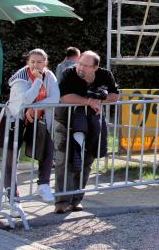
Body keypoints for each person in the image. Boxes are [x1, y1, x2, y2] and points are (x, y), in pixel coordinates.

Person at [53, 50, 119, 214]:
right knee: (65, 160)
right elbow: (64, 97)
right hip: (65, 122)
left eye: (85, 65)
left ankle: (76, 200)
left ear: (95, 67)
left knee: (87, 159)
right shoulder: (69, 73)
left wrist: (100, 98)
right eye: (79, 63)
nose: (80, 68)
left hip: (92, 123)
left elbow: (115, 95)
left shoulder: (105, 75)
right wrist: (89, 101)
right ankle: (61, 201)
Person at [1, 49, 59, 216]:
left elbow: (55, 98)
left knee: (47, 146)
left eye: (39, 62)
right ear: (28, 62)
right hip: (15, 119)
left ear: (45, 63)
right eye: (32, 61)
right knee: (11, 157)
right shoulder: (20, 78)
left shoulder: (50, 76)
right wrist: (38, 82)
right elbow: (25, 99)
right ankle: (12, 198)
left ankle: (44, 184)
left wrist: (37, 107)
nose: (36, 65)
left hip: (38, 119)